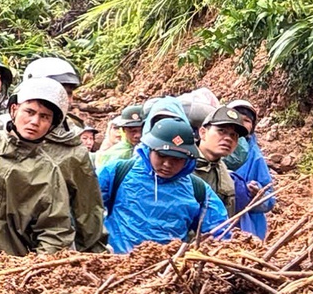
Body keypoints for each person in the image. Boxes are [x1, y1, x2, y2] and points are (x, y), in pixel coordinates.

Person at [0, 78, 87, 255]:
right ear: (14, 110)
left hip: (11, 264)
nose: (34, 121)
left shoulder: (48, 172)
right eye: (29, 112)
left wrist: (36, 267)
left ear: (52, 125)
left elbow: (55, 231)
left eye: (44, 117)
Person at [14, 56, 109, 253]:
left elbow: (88, 210)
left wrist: (96, 257)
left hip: (50, 250)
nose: (63, 98)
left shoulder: (73, 149)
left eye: (68, 93)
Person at [100, 114, 228, 253]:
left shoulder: (198, 189)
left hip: (168, 269)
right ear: (149, 149)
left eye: (177, 159)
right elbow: (86, 210)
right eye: (161, 155)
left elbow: (219, 234)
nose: (167, 164)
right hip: (117, 265)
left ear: (188, 159)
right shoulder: (117, 172)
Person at [225, 99, 277, 239]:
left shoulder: (255, 157)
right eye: (237, 118)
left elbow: (270, 199)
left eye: (247, 120)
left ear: (253, 126)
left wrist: (257, 194)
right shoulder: (215, 149)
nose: (241, 123)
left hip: (246, 225)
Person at [96, 105, 144, 169]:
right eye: (132, 131)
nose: (138, 135)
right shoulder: (113, 155)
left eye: (141, 130)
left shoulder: (152, 150)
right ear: (124, 130)